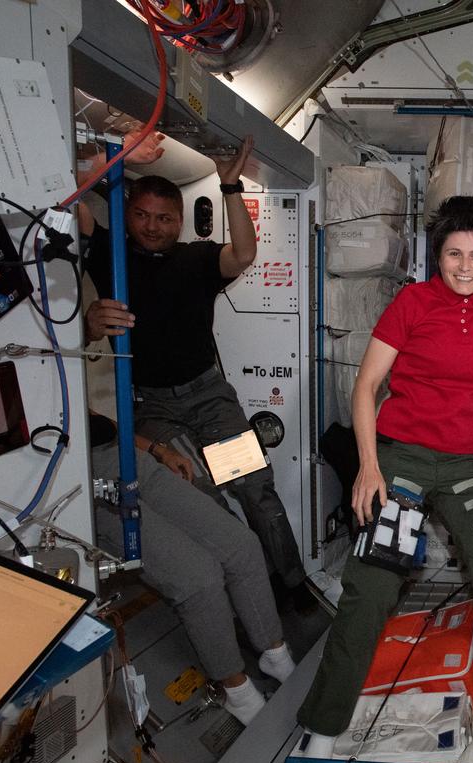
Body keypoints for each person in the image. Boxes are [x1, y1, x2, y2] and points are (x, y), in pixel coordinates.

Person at [292, 196, 473, 763]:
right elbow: (367, 387)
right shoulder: (413, 302)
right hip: (403, 458)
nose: (465, 265)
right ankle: (321, 730)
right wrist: (369, 467)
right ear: (437, 257)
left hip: (471, 466)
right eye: (454, 254)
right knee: (370, 591)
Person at [80, 135, 307, 599]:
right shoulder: (108, 253)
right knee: (200, 498)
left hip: (207, 398)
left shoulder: (196, 259)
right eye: (141, 215)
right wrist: (116, 157)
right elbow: (67, 191)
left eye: (164, 218)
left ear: (180, 222)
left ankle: (292, 585)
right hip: (154, 408)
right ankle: (248, 587)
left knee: (251, 489)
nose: (151, 226)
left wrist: (229, 187)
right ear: (128, 215)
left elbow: (243, 254)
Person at [89, 412, 295, 725]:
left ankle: (274, 654)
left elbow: (92, 419)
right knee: (199, 580)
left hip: (125, 458)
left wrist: (159, 450)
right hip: (85, 484)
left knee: (242, 547)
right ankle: (235, 690)